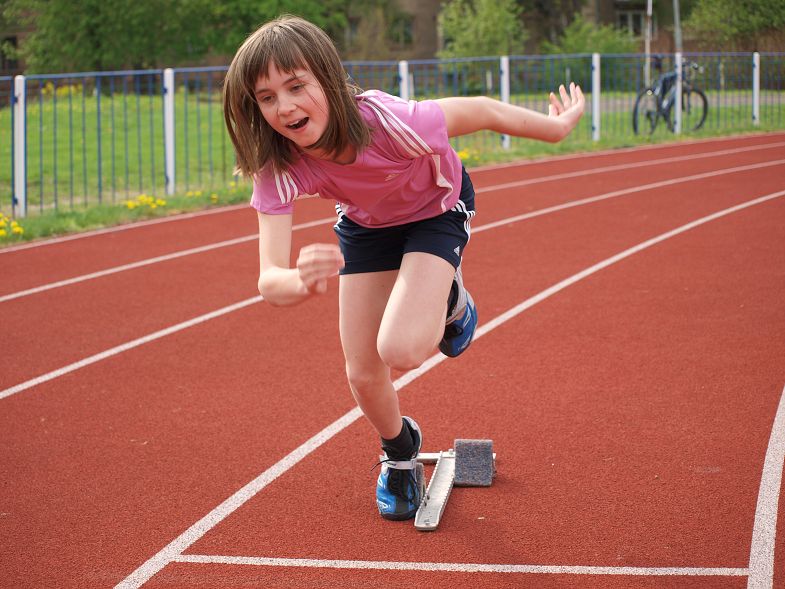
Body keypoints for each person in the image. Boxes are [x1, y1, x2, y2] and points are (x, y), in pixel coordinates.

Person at [223, 15, 585, 521]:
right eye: (266, 97)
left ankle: (452, 303)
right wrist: (300, 280)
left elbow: (481, 110)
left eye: (296, 86)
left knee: (401, 348)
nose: (284, 107)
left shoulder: (390, 122)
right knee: (362, 372)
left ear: (327, 78)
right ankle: (400, 451)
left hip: (436, 208)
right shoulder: (279, 166)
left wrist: (557, 128)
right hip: (367, 226)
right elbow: (269, 280)